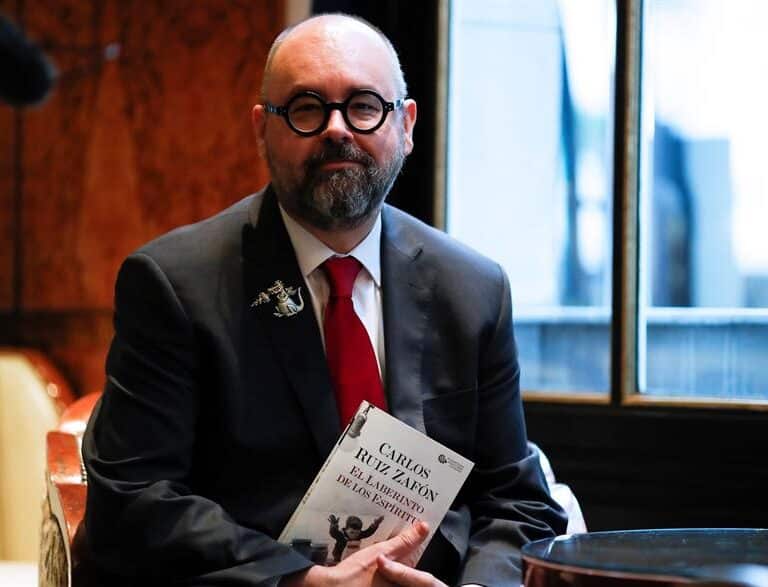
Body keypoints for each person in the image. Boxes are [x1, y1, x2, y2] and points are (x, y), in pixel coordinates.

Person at [80, 13, 567, 587]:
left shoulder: (473, 288)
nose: (337, 129)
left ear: (406, 125)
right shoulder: (174, 284)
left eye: (364, 106)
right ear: (262, 129)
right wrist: (302, 581)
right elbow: (133, 497)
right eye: (307, 108)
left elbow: (516, 500)